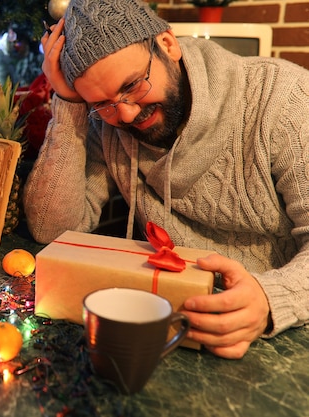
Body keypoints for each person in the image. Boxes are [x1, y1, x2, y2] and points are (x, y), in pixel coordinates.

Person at [23, 0, 309, 359]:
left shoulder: (285, 99)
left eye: (132, 85)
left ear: (168, 45)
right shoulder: (107, 122)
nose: (126, 113)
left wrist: (269, 299)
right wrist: (68, 105)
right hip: (169, 324)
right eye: (104, 103)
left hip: (280, 331)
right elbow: (52, 228)